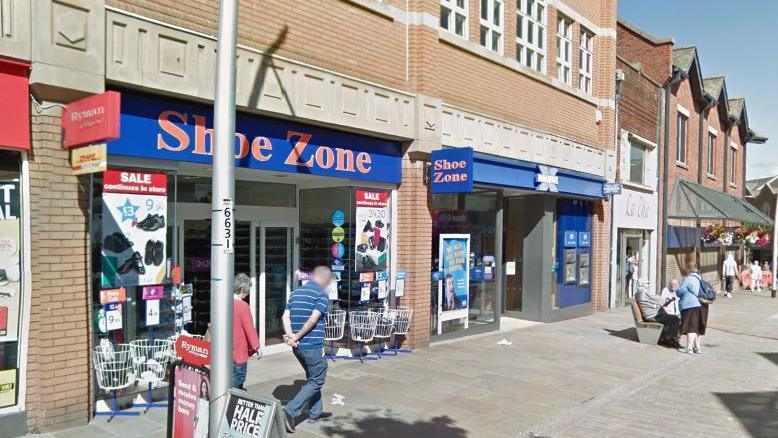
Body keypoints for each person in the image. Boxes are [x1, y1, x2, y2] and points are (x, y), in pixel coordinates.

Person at [281, 266, 334, 433]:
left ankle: (315, 413)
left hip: (298, 348)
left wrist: (290, 336)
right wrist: (294, 338)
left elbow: (285, 316)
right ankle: (289, 411)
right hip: (311, 346)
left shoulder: (296, 293)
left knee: (312, 378)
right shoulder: (322, 294)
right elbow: (312, 321)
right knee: (317, 380)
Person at [233, 273, 260, 390]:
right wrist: (256, 347)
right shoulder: (243, 306)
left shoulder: (223, 303)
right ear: (243, 290)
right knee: (238, 379)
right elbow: (249, 328)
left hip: (224, 352)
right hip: (239, 351)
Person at [635, 278, 680, 347]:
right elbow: (657, 299)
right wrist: (668, 299)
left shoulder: (639, 292)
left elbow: (654, 299)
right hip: (652, 315)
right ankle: (670, 339)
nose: (649, 285)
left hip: (649, 314)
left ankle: (667, 338)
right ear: (642, 284)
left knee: (670, 317)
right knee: (674, 318)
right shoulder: (644, 292)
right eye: (647, 283)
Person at [676, 261, 706, 354]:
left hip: (690, 305)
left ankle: (689, 348)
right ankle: (697, 347)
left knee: (691, 327)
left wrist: (677, 291)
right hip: (701, 305)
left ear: (688, 269)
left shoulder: (688, 279)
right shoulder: (699, 278)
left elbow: (681, 291)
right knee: (697, 327)